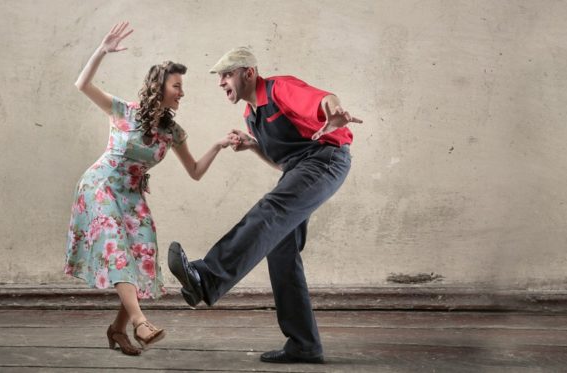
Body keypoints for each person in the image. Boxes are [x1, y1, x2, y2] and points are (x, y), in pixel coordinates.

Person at [168, 47, 362, 364]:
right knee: (281, 247)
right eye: (218, 77)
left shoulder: (278, 88)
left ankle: (207, 277)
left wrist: (335, 110)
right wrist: (253, 147)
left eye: (226, 74)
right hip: (300, 170)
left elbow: (321, 98)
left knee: (271, 210)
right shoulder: (250, 115)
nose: (221, 82)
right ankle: (304, 345)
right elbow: (282, 162)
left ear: (249, 73)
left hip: (325, 161)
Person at [65, 22, 231, 356]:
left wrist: (219, 144)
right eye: (177, 85)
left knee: (142, 254)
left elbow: (195, 171)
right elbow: (82, 84)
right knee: (115, 248)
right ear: (160, 85)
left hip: (131, 196)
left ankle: (117, 329)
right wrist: (102, 50)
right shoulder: (122, 111)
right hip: (100, 186)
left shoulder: (173, 133)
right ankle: (141, 323)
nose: (182, 92)